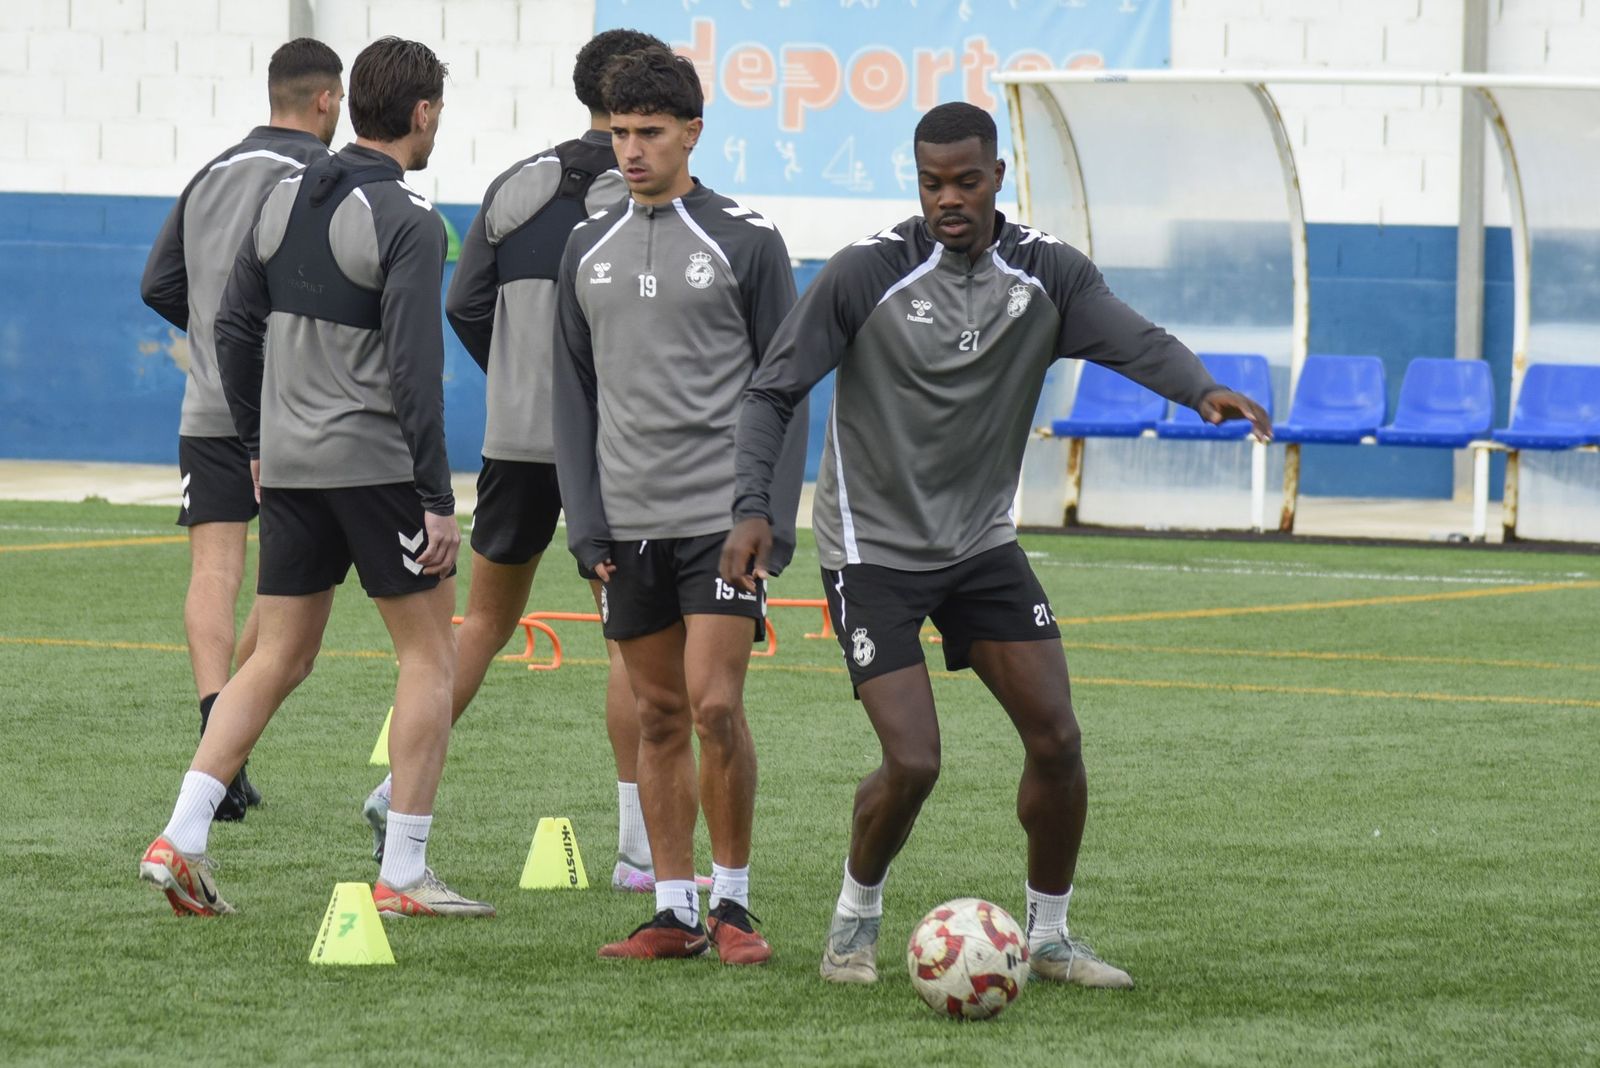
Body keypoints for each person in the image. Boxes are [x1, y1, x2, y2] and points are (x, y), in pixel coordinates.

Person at [721, 102, 1271, 986]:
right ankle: (853, 922)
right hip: (874, 553)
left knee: (1056, 739)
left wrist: (1200, 389)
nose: (949, 199)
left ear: (997, 178)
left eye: (966, 182)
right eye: (932, 183)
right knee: (915, 761)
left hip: (980, 545)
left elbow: (1132, 337)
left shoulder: (1045, 270)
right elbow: (772, 390)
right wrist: (754, 507)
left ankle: (1049, 937)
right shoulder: (868, 272)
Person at [138, 36, 492, 919]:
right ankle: (405, 872)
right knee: (431, 654)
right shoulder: (410, 219)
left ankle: (180, 837)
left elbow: (228, 325)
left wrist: (258, 439)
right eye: (438, 112)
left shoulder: (285, 195)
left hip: (290, 465)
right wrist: (437, 499)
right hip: (374, 469)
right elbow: (414, 371)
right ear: (420, 114)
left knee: (280, 656)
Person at [359, 29, 665, 896]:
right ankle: (639, 853)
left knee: (482, 625)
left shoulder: (516, 185)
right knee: (627, 640)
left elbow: (466, 303)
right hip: (613, 449)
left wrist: (522, 381)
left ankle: (393, 789)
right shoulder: (645, 192)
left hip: (514, 445)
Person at [552, 46, 808, 962]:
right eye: (618, 133)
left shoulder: (746, 239)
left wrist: (768, 521)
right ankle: (673, 909)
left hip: (721, 522)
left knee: (715, 709)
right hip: (625, 523)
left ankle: (732, 903)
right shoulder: (585, 247)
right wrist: (585, 525)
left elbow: (786, 388)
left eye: (650, 133)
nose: (631, 150)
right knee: (657, 715)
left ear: (692, 133)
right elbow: (570, 397)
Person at [139, 37, 344, 821]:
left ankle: (213, 722)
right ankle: (229, 742)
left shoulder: (211, 172)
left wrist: (207, 335)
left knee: (214, 572)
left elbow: (159, 282)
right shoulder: (324, 180)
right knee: (293, 584)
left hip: (208, 406)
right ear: (326, 101)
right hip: (291, 409)